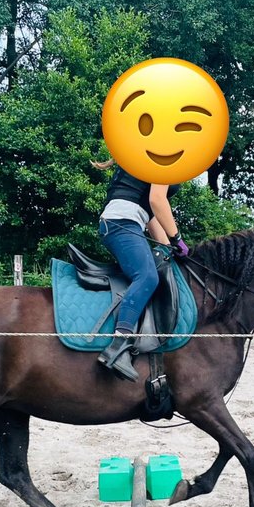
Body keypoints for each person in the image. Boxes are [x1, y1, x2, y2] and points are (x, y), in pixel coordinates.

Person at [92, 159, 190, 379]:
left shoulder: (148, 156)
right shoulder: (162, 157)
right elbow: (157, 201)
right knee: (146, 277)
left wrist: (168, 248)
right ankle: (118, 346)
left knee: (159, 271)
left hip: (127, 221)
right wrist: (177, 239)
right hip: (122, 223)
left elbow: (149, 214)